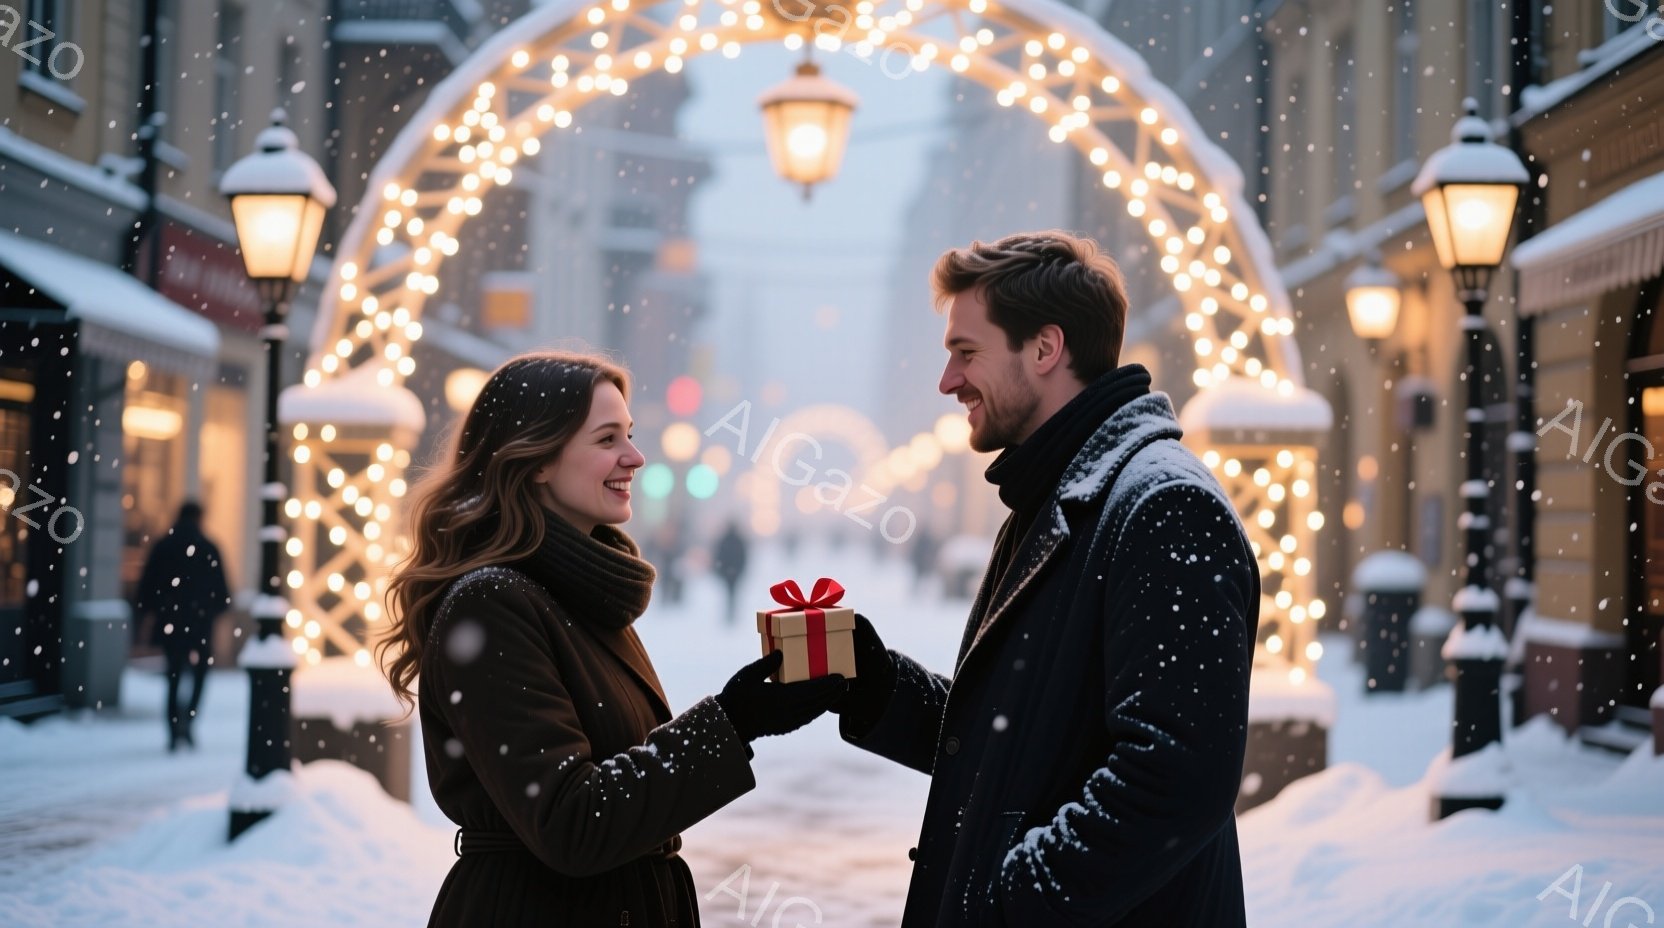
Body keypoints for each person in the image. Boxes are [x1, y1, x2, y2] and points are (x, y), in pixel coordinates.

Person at [830, 231, 1260, 927]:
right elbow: (1025, 740)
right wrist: (876, 685)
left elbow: (1177, 777)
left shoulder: (1161, 507)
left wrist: (1013, 896)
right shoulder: (1060, 496)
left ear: (1045, 349)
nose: (947, 381)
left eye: (965, 353)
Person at [380, 351, 847, 928]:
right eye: (606, 439)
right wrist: (732, 721)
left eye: (629, 434)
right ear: (537, 460)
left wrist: (741, 717)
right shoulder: (493, 604)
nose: (635, 456)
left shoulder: (581, 593)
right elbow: (570, 822)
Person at [133, 500, 232, 752]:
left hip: (171, 623)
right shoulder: (209, 548)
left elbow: (147, 588)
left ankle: (173, 727)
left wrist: (151, 613)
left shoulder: (164, 547)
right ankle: (188, 718)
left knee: (173, 675)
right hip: (200, 624)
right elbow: (222, 594)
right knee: (199, 675)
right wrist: (209, 611)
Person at [712, 521, 749, 625]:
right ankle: (731, 613)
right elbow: (743, 557)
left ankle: (730, 613)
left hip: (728, 572)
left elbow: (719, 555)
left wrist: (721, 569)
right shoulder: (739, 540)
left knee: (729, 593)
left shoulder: (725, 540)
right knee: (733, 593)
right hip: (734, 572)